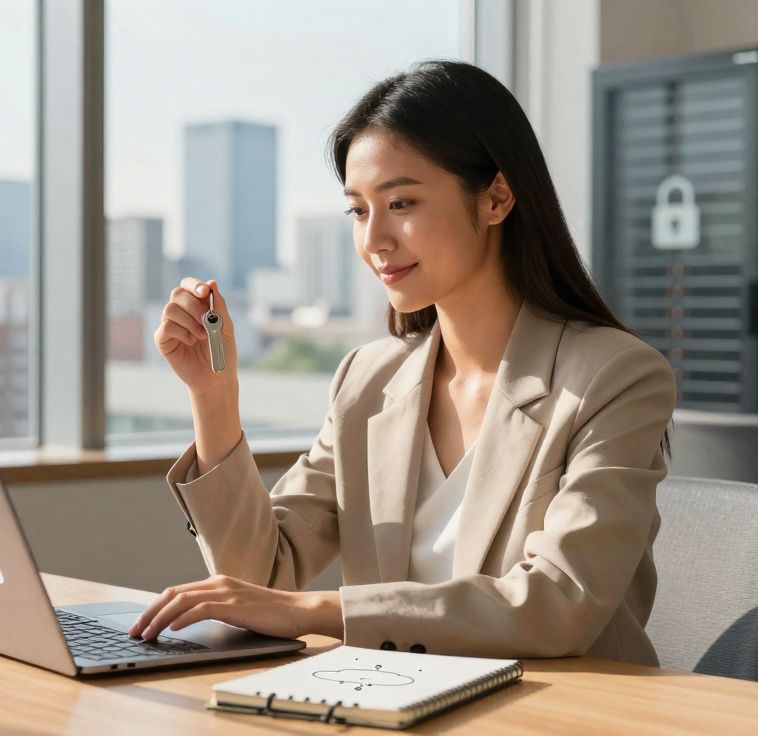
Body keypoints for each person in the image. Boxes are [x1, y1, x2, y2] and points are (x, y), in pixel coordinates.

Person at [127, 59, 677, 665]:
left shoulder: (615, 377)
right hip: (396, 703)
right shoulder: (369, 379)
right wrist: (213, 397)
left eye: (402, 203)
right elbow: (262, 577)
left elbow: (557, 604)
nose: (374, 240)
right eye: (359, 210)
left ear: (496, 198)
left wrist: (325, 613)